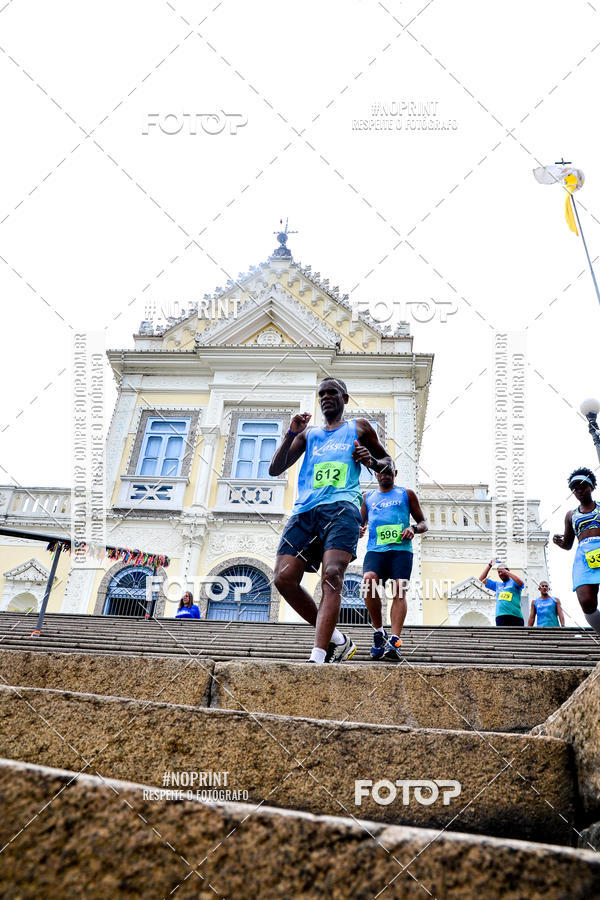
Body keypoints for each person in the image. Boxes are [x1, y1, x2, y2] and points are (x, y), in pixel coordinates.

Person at [270, 377, 393, 664]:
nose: (326, 397)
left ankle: (318, 655)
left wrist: (371, 462)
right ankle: (338, 639)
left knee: (333, 575)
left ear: (344, 398)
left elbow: (389, 462)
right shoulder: (308, 435)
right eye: (322, 393)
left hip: (343, 507)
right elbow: (275, 468)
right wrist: (291, 432)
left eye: (332, 392)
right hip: (305, 511)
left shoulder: (359, 427)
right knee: (283, 577)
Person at [360, 468, 427, 660]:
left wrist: (413, 528)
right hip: (376, 550)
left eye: (388, 471)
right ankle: (379, 633)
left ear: (395, 472)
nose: (385, 475)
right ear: (375, 475)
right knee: (368, 581)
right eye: (380, 472)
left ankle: (395, 641)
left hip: (401, 551)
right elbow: (359, 521)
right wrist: (358, 528)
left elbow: (423, 523)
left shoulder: (406, 494)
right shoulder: (368, 497)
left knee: (399, 588)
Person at [553, 467, 600, 635]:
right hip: (583, 557)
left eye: (583, 486)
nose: (579, 490)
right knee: (587, 602)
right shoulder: (571, 515)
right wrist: (560, 542)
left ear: (592, 486)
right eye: (575, 488)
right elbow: (568, 544)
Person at [478, 560, 525, 626]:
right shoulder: (497, 585)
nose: (500, 574)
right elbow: (481, 579)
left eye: (502, 571)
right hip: (501, 616)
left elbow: (521, 583)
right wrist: (489, 565)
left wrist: (506, 572)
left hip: (515, 616)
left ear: (507, 571)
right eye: (498, 572)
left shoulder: (514, 583)